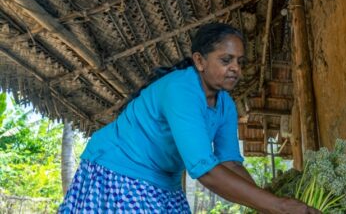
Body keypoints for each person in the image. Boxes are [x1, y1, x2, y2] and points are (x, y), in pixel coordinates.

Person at [59, 23, 320, 213]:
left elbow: (230, 164)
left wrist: (266, 206)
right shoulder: (180, 90)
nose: (236, 68)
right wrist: (279, 206)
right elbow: (203, 169)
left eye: (240, 62)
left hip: (164, 182)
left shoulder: (226, 105)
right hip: (118, 170)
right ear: (200, 61)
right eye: (226, 60)